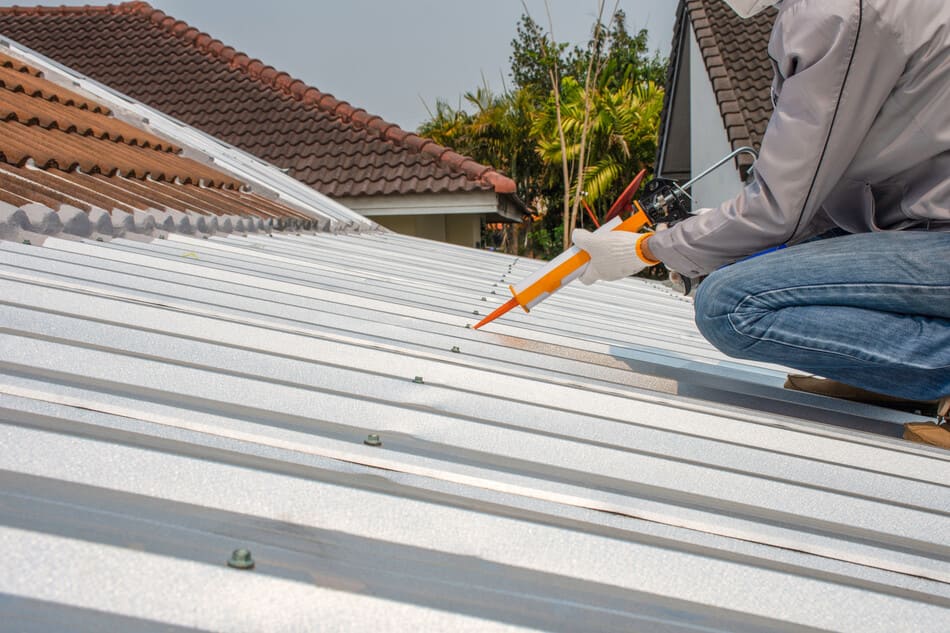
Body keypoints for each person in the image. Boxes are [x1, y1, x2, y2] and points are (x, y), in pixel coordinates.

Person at [572, 0, 950, 411]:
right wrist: (705, 235)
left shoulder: (833, 15)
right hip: (923, 233)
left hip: (936, 244)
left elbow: (777, 210)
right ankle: (905, 371)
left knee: (728, 304)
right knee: (743, 268)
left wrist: (647, 249)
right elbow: (816, 197)